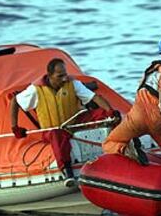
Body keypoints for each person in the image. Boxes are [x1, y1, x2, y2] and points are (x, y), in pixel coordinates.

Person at [10, 58, 119, 187]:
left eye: (65, 74)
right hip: (51, 130)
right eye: (60, 76)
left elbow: (94, 97)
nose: (64, 79)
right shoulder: (36, 90)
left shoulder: (73, 84)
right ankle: (67, 171)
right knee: (57, 135)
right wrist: (15, 127)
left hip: (73, 123)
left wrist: (110, 112)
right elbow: (15, 102)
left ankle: (119, 148)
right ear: (50, 76)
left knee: (104, 114)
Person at [102, 35, 161, 170]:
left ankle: (125, 150)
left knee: (110, 142)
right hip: (158, 119)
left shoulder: (152, 70)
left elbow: (151, 94)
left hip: (136, 116)